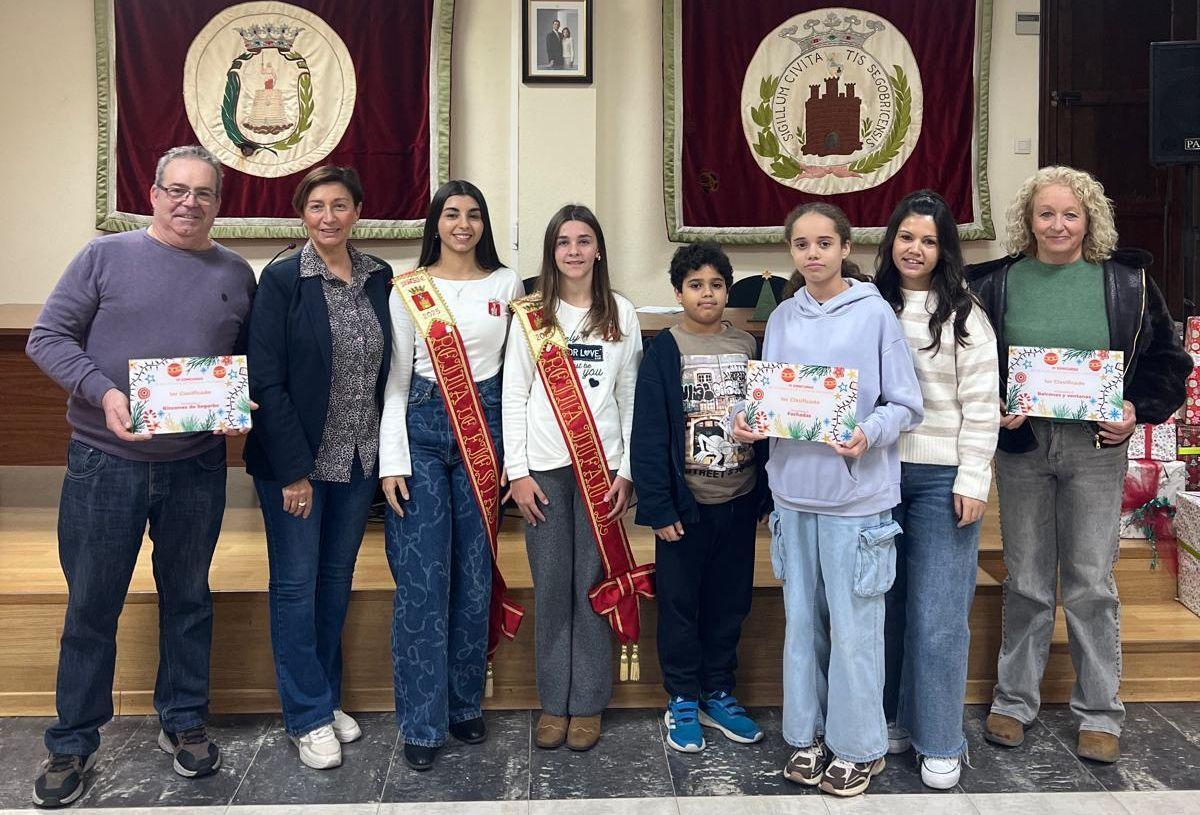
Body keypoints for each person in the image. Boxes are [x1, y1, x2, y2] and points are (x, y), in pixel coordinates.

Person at [26, 145, 256, 808]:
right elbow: (47, 338)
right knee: (92, 604)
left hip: (196, 466)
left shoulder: (237, 272)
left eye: (203, 193)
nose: (189, 203)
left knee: (189, 597)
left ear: (219, 203)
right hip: (105, 463)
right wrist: (103, 392)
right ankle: (72, 740)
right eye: (176, 190)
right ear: (153, 195)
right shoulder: (104, 256)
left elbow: (240, 362)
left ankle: (183, 719)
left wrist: (234, 406)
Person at [968, 166, 1190, 764]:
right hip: (1023, 449)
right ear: (1029, 220)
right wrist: (995, 404)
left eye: (1071, 214)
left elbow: (1169, 361)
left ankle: (1099, 713)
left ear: (1090, 219)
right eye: (1046, 214)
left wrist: (1136, 410)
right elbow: (973, 364)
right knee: (1028, 580)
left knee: (1091, 582)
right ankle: (1014, 702)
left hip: (1096, 449)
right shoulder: (993, 283)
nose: (1058, 225)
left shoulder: (1128, 283)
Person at [733, 202, 923, 798]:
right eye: (801, 244)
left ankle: (857, 746)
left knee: (855, 629)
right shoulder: (783, 317)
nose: (812, 254)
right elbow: (768, 395)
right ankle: (806, 736)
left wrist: (868, 432)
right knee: (801, 625)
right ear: (790, 251)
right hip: (793, 494)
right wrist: (746, 418)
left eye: (823, 243)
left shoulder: (875, 315)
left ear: (846, 248)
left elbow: (906, 404)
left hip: (857, 498)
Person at [243, 166, 393, 770]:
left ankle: (326, 697)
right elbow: (266, 380)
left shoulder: (380, 277)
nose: (328, 217)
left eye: (339, 206)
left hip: (358, 460)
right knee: (295, 585)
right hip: (297, 466)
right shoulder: (283, 279)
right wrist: (293, 471)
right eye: (316, 207)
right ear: (301, 214)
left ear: (357, 211)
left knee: (335, 581)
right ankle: (305, 715)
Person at [379, 180, 524, 771]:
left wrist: (515, 459)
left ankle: (464, 703)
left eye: (474, 214)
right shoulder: (408, 288)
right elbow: (394, 379)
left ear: (484, 224)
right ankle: (421, 720)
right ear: (435, 222)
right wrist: (391, 460)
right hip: (421, 427)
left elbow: (517, 377)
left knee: (472, 573)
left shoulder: (507, 284)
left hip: (484, 428)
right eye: (451, 213)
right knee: (422, 578)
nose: (463, 224)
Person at [502, 204, 643, 752]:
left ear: (598, 250)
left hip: (600, 469)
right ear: (552, 251)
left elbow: (629, 397)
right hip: (543, 472)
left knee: (591, 586)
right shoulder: (533, 313)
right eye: (564, 242)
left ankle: (586, 702)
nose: (574, 251)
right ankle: (552, 702)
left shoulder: (621, 313)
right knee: (552, 586)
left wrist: (627, 471)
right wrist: (517, 473)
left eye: (584, 240)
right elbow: (514, 394)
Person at [873, 191, 1000, 789]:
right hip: (876, 476)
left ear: (944, 249)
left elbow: (981, 405)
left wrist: (974, 477)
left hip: (942, 479)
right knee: (883, 606)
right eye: (906, 237)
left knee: (939, 613)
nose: (915, 249)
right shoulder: (867, 303)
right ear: (890, 241)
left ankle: (941, 738)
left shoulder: (965, 314)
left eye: (928, 240)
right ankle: (892, 717)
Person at [631, 242, 770, 753]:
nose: (706, 294)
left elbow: (767, 420)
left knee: (730, 603)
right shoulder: (665, 350)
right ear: (678, 293)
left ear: (727, 291)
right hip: (685, 509)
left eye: (715, 284)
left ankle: (718, 692)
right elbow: (649, 434)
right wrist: (659, 506)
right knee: (681, 606)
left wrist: (765, 494)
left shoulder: (747, 346)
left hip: (739, 499)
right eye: (695, 285)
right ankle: (682, 697)